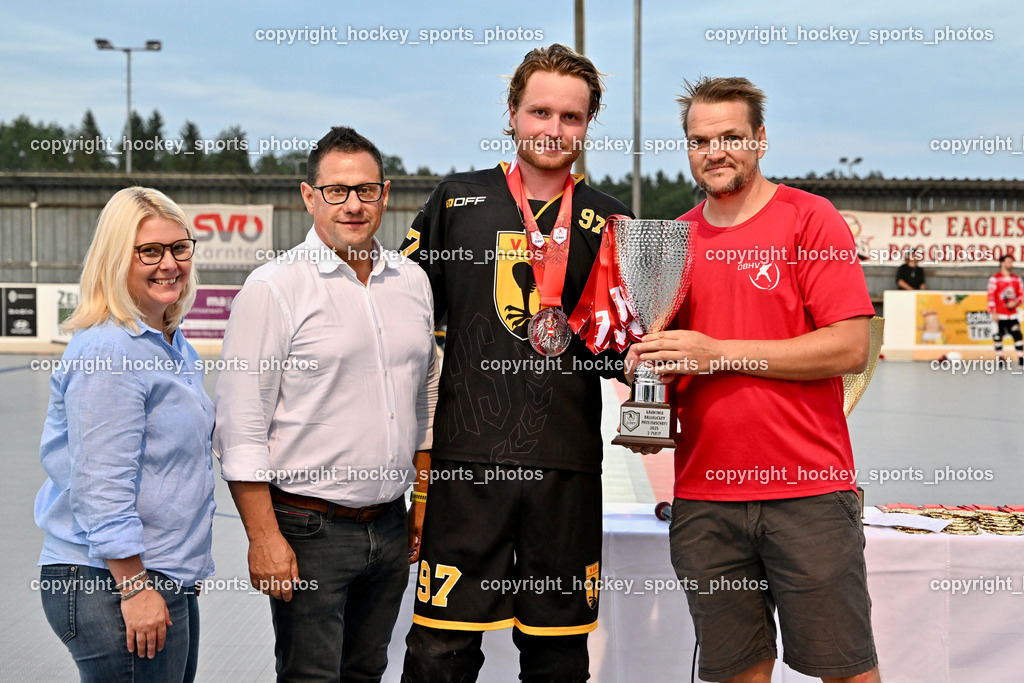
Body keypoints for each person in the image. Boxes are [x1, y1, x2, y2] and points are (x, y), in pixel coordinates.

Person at [629, 77, 881, 682]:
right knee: (737, 674)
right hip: (706, 499)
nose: (714, 152)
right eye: (699, 141)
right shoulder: (674, 241)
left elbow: (850, 346)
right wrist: (648, 407)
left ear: (761, 139)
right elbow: (673, 359)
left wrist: (719, 353)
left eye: (731, 137)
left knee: (845, 670)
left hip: (808, 493)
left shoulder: (808, 218)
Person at [399, 43, 631, 683]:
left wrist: (648, 372)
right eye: (540, 112)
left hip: (567, 470)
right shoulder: (456, 203)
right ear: (511, 115)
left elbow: (623, 348)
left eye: (571, 117)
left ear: (587, 126)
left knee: (557, 660)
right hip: (466, 467)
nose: (554, 130)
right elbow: (401, 320)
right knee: (438, 655)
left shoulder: (613, 221)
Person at [212, 126, 438, 682]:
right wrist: (264, 538)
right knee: (311, 676)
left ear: (386, 194)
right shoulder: (274, 288)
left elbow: (424, 396)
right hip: (308, 529)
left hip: (389, 526)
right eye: (337, 191)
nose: (353, 204)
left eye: (365, 190)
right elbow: (240, 426)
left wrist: (420, 504)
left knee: (366, 672)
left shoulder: (412, 281)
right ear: (310, 196)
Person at [35, 186, 216, 682]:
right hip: (110, 582)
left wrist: (181, 565)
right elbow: (102, 484)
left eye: (179, 248)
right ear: (117, 260)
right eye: (150, 251)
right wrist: (134, 587)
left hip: (157, 573)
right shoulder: (110, 350)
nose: (170, 264)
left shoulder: (170, 347)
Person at [987, 253, 1024, 369]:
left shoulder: (1016, 279)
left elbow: (1021, 295)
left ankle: (1021, 360)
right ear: (1002, 263)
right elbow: (991, 296)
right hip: (999, 315)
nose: (1010, 264)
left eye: (1011, 262)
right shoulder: (995, 279)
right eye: (1008, 262)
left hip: (1012, 315)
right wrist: (993, 312)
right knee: (997, 337)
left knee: (1018, 335)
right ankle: (1000, 359)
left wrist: (1016, 302)